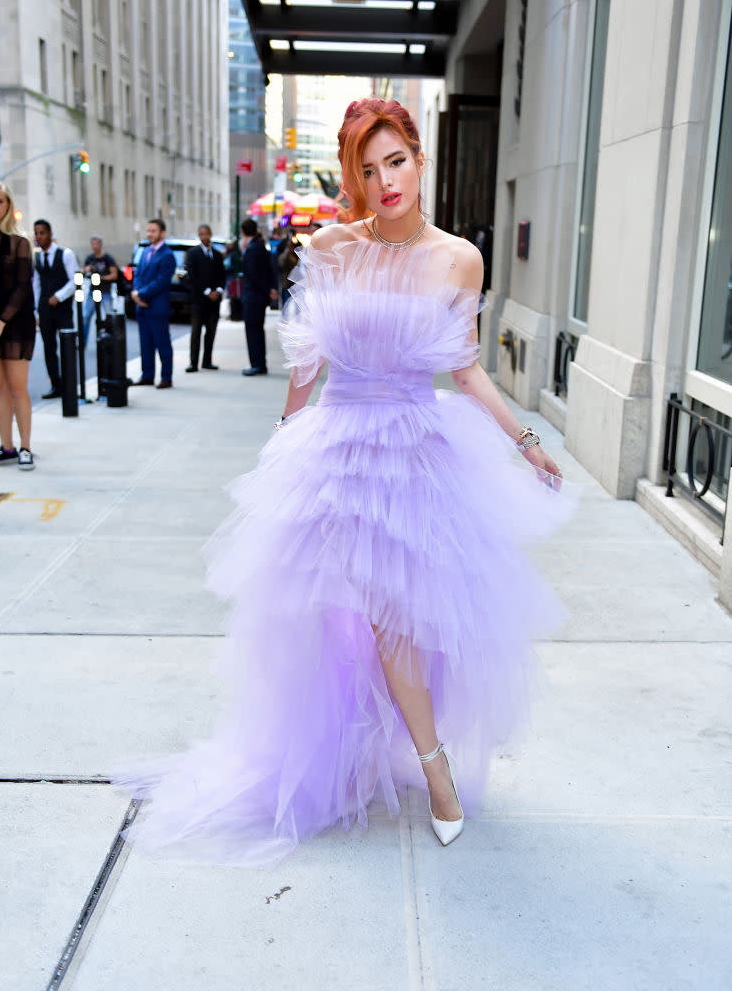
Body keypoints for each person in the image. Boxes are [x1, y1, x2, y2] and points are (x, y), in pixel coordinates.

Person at [115, 99, 571, 865]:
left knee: (395, 625)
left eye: (394, 161)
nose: (384, 180)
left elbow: (462, 368)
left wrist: (525, 441)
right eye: (366, 167)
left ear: (419, 160)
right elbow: (307, 358)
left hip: (413, 455)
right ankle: (348, 753)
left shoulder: (458, 258)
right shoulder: (329, 247)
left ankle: (435, 773)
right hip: (335, 446)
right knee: (326, 623)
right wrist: (284, 438)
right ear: (352, 177)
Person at [0, 182, 36, 470]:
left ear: (8, 205)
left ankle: (25, 448)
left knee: (18, 387)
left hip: (15, 321)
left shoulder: (20, 242)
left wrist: (0, 322)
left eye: (0, 201)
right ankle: (6, 447)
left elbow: (22, 287)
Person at [32, 219, 78, 399]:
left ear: (50, 233)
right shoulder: (37, 258)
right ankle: (55, 385)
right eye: (36, 233)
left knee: (67, 345)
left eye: (42, 233)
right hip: (45, 310)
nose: (39, 236)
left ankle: (70, 384)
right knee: (49, 348)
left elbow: (75, 280)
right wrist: (36, 310)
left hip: (63, 309)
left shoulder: (65, 254)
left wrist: (59, 296)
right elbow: (35, 284)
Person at [130, 218, 176, 389]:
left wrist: (140, 294)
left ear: (162, 233)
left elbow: (161, 282)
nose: (150, 234)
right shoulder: (145, 251)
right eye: (148, 230)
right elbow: (138, 275)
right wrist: (136, 294)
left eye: (153, 231)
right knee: (146, 345)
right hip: (141, 307)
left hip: (157, 307)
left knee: (162, 344)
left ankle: (166, 377)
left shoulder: (168, 255)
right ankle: (147, 375)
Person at [184, 225, 225, 372]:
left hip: (214, 301)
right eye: (201, 234)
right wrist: (207, 291)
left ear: (211, 234)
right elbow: (192, 276)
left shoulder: (217, 254)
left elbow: (222, 275)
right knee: (196, 332)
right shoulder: (193, 253)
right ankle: (193, 362)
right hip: (199, 300)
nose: (205, 237)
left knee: (211, 331)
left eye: (207, 234)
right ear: (199, 235)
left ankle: (207, 361)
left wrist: (218, 291)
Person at [239, 218, 276, 376]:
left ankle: (257, 364)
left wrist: (267, 290)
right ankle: (260, 364)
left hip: (253, 297)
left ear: (243, 231)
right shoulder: (259, 246)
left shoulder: (253, 248)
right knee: (257, 331)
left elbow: (254, 275)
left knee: (253, 331)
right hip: (258, 296)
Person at [82, 235, 118, 347]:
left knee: (109, 316)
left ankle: (111, 341)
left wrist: (101, 278)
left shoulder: (108, 258)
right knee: (86, 316)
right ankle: (83, 342)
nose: (94, 246)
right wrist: (86, 270)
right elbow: (82, 272)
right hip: (93, 290)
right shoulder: (90, 258)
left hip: (105, 290)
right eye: (92, 243)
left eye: (96, 243)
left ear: (100, 244)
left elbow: (114, 275)